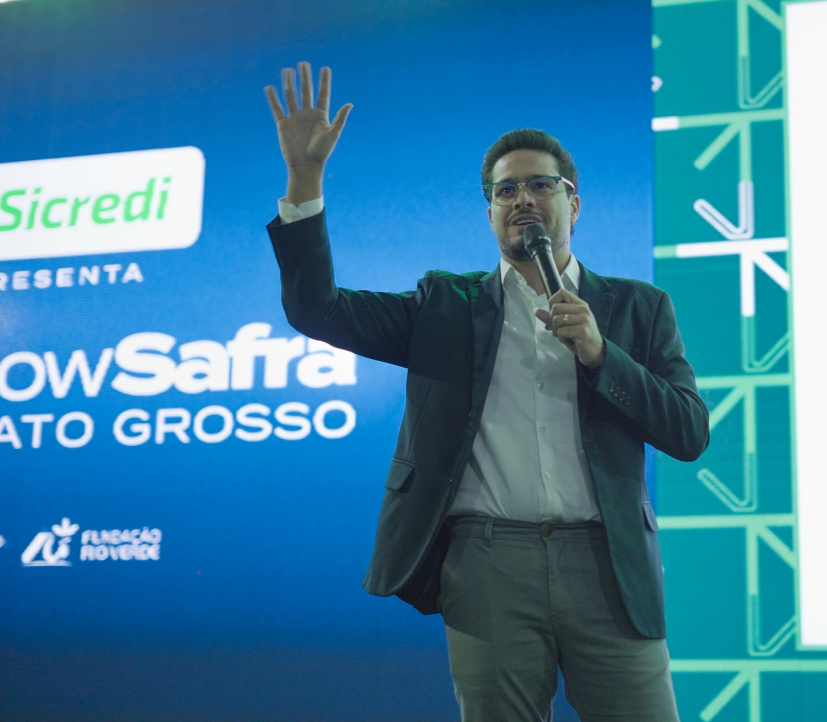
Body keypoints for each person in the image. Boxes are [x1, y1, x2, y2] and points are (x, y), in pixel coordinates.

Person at [264, 62, 709, 722]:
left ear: (574, 204)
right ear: (491, 212)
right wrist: (305, 181)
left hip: (608, 565)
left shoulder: (638, 307)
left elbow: (689, 432)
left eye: (540, 185)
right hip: (488, 564)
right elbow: (316, 310)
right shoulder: (444, 305)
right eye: (505, 191)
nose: (522, 199)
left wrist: (600, 352)